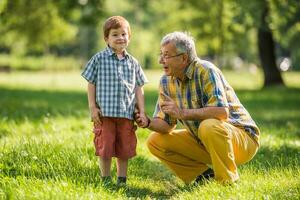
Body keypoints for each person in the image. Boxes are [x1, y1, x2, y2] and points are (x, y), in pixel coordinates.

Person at [135, 31, 260, 185]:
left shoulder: (205, 70)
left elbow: (221, 112)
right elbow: (167, 125)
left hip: (242, 139)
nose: (161, 60)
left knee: (208, 125)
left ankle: (227, 182)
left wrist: (182, 113)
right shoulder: (166, 82)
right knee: (155, 141)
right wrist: (147, 122)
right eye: (160, 54)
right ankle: (204, 177)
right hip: (205, 141)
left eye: (166, 55)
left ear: (183, 58)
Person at [81, 16, 148, 185]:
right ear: (106, 38)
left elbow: (139, 88)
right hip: (104, 114)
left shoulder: (133, 63)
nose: (120, 38)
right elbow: (91, 83)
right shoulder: (99, 59)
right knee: (105, 148)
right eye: (115, 34)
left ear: (129, 37)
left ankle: (122, 180)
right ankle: (105, 179)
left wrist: (141, 110)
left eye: (124, 34)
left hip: (126, 114)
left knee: (124, 149)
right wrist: (92, 107)